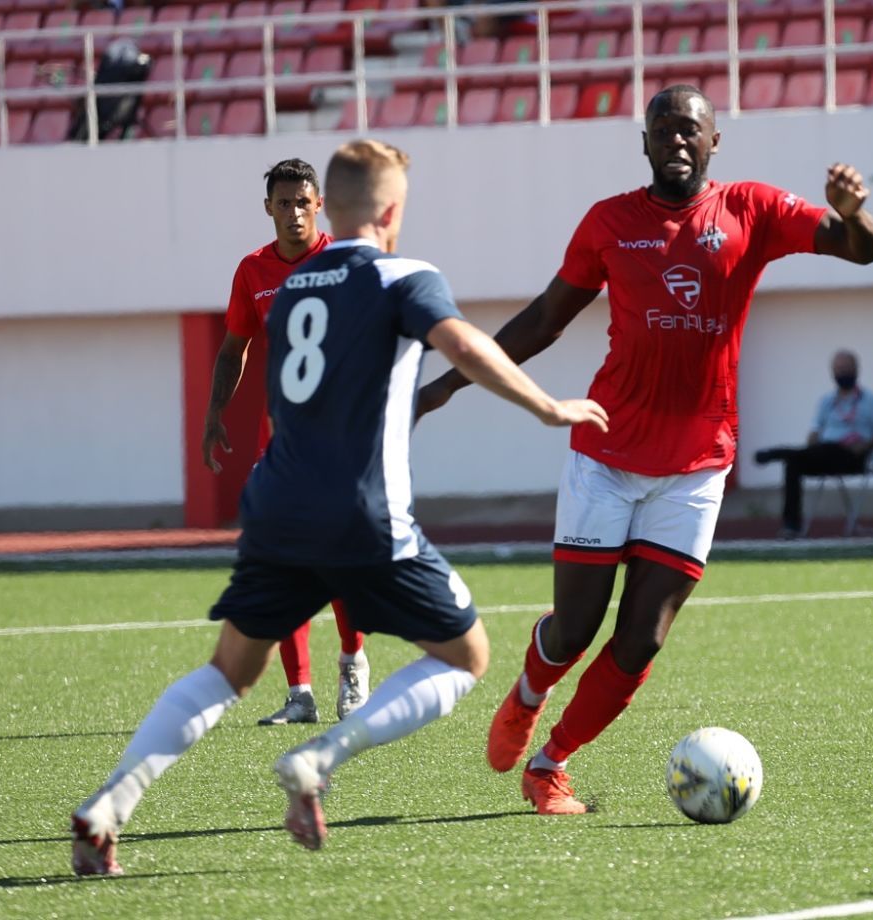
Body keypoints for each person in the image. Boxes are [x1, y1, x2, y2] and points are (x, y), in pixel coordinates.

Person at [70, 139, 609, 873]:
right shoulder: (404, 274)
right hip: (361, 513)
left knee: (228, 668)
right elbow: (463, 343)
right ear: (391, 210)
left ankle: (108, 806)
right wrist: (547, 406)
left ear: (332, 204)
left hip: (275, 505)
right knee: (466, 656)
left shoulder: (290, 288)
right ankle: (320, 757)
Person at [416, 84, 873, 815]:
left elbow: (865, 251)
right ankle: (527, 697)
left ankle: (549, 764)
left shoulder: (752, 210)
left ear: (713, 142)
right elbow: (547, 317)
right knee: (575, 628)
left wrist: (854, 217)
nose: (675, 139)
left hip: (697, 466)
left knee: (642, 639)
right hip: (606, 453)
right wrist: (450, 384)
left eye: (689, 129)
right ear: (643, 142)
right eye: (662, 128)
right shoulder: (609, 222)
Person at [202, 158, 370, 726]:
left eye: (304, 201)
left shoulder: (346, 261)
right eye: (284, 202)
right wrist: (214, 412)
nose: (294, 212)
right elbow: (233, 349)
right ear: (268, 208)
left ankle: (353, 668)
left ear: (319, 203)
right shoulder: (252, 270)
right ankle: (300, 693)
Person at [752, 350, 873, 537]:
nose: (842, 373)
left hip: (853, 456)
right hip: (823, 454)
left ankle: (778, 452)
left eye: (846, 368)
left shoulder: (871, 401)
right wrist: (812, 444)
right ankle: (791, 525)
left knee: (821, 451)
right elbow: (814, 432)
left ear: (856, 370)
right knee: (794, 464)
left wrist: (867, 444)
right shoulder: (827, 402)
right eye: (838, 369)